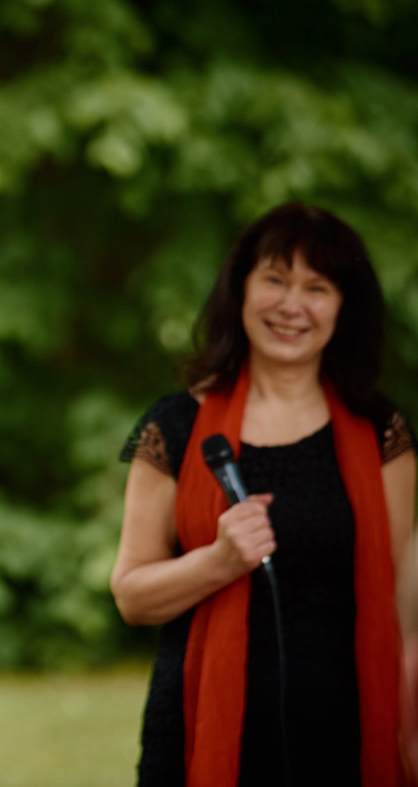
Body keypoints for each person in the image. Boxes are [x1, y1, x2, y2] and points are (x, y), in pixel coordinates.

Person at [110, 202, 415, 786]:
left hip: (351, 735)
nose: (292, 305)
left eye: (316, 287)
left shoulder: (384, 432)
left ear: (344, 306)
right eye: (274, 279)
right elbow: (131, 596)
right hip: (202, 735)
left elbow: (406, 604)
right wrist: (218, 562)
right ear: (241, 290)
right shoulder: (174, 427)